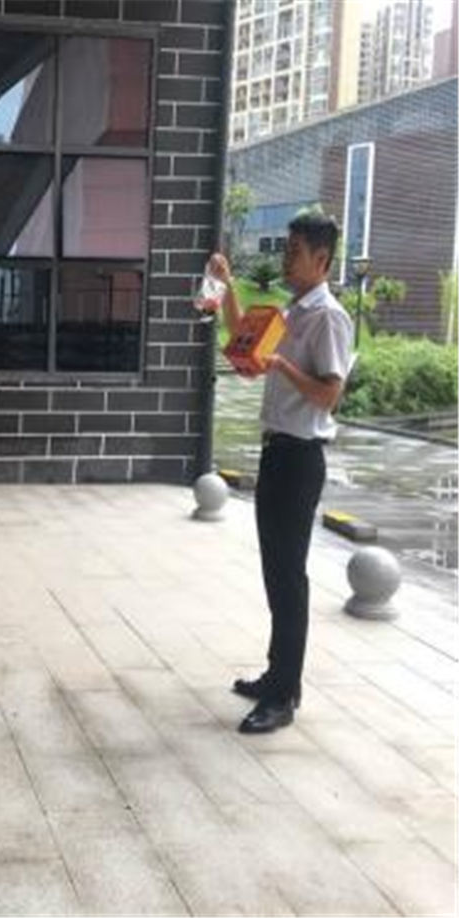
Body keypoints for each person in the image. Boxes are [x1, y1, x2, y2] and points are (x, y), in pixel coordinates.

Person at [209, 212, 353, 735]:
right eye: (286, 250)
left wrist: (281, 366)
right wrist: (226, 286)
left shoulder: (328, 317)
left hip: (300, 458)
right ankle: (276, 674)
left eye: (295, 252)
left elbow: (329, 395)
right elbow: (242, 343)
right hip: (277, 452)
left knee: (289, 577)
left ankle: (284, 695)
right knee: (276, 572)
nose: (286, 259)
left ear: (322, 259)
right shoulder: (290, 311)